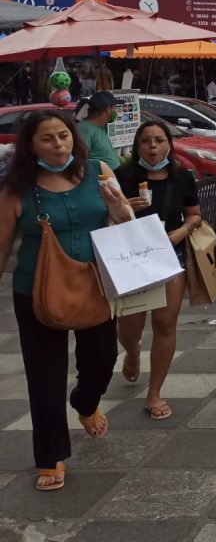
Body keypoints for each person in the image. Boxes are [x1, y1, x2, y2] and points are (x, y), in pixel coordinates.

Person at [0, 110, 132, 491]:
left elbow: (125, 220)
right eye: (47, 138)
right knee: (45, 375)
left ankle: (86, 402)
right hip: (35, 291)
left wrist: (117, 208)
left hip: (93, 284)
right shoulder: (15, 189)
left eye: (63, 135)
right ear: (30, 145)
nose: (58, 144)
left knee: (103, 358)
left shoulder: (99, 172)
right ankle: (50, 455)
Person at [115, 121, 202, 421]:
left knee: (165, 323)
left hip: (169, 256)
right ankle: (132, 352)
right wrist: (124, 207)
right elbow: (103, 217)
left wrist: (180, 233)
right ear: (137, 145)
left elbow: (194, 215)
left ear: (169, 144)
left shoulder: (182, 177)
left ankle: (154, 393)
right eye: (146, 141)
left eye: (159, 140)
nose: (153, 147)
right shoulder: (122, 176)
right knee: (130, 326)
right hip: (132, 258)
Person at [75, 91, 120, 170]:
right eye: (114, 108)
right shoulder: (84, 129)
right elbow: (80, 161)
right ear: (108, 109)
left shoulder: (99, 127)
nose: (116, 113)